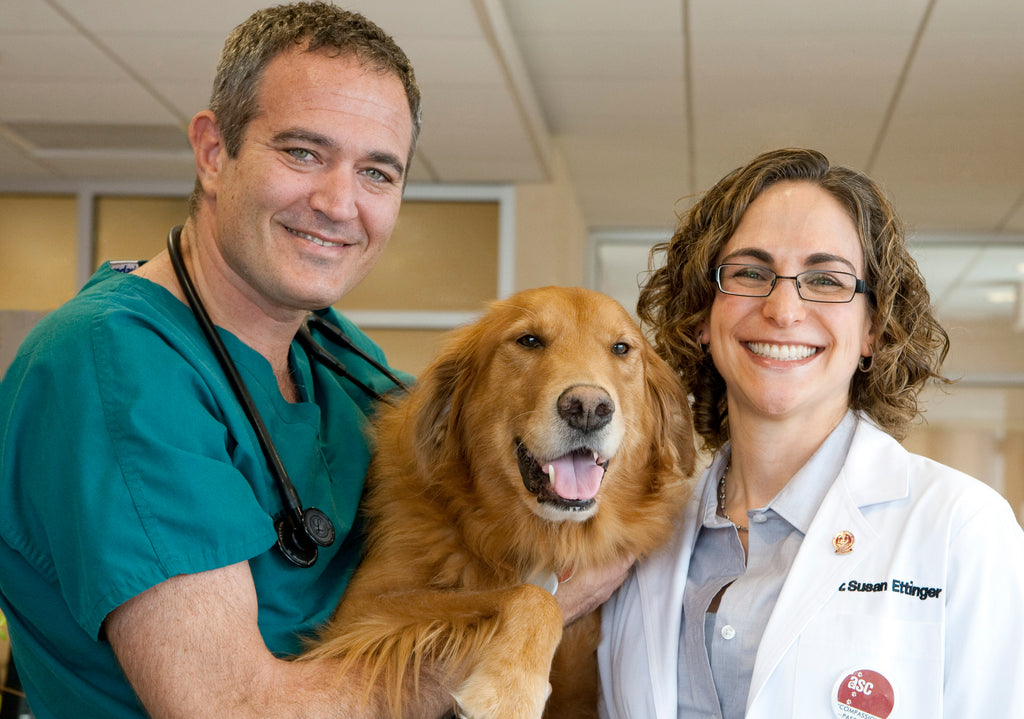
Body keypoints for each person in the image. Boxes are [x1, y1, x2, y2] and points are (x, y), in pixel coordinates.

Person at [0, 4, 629, 718]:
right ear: (213, 151)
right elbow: (236, 709)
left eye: (377, 173)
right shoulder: (113, 368)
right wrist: (547, 603)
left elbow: (477, 463)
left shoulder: (329, 347)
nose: (338, 202)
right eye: (302, 152)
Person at [597, 147, 1024, 718]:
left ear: (873, 328)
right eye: (750, 272)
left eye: (825, 280)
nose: (784, 308)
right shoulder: (638, 535)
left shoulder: (960, 527)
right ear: (702, 315)